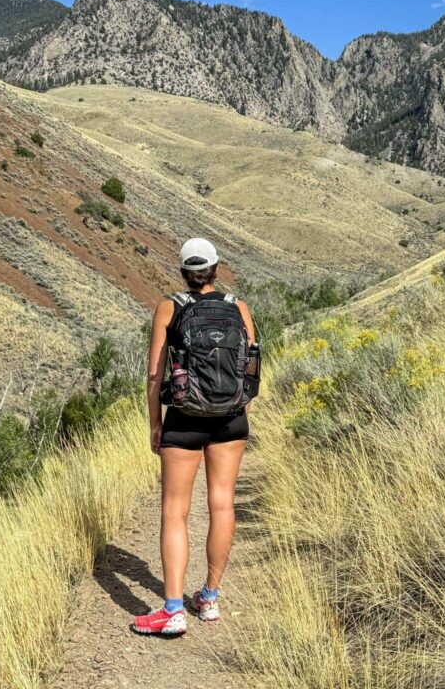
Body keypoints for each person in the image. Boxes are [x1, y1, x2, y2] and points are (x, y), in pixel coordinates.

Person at [132, 238, 257, 636]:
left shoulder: (170, 307)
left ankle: (172, 610)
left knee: (174, 511)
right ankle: (210, 599)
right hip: (231, 420)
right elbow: (251, 369)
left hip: (184, 418)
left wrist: (156, 423)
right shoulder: (239, 307)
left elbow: (155, 374)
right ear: (216, 270)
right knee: (222, 505)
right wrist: (238, 410)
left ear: (184, 272)